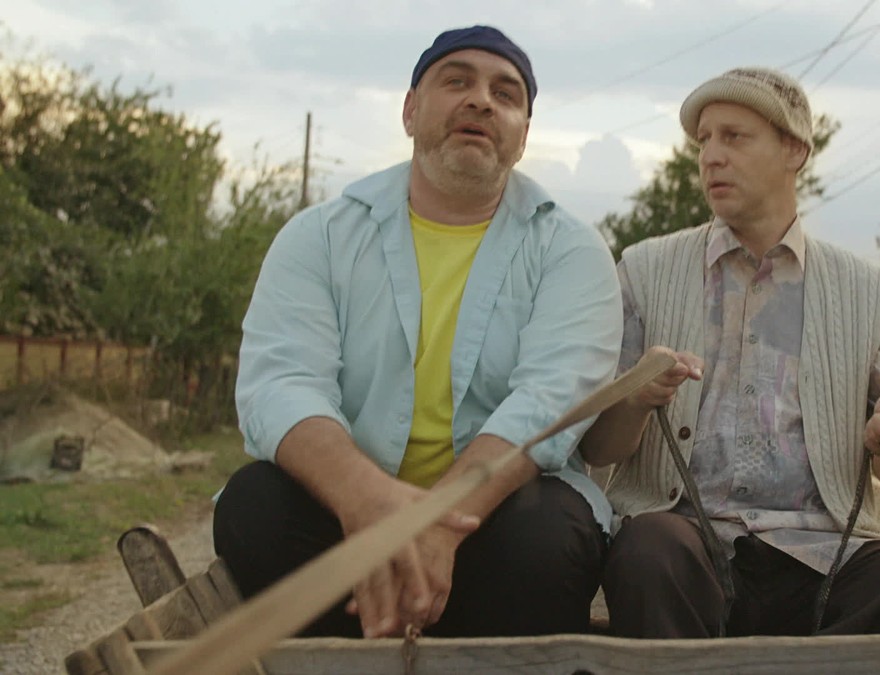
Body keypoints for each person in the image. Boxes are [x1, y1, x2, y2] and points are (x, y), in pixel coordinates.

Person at [213, 25, 622, 640]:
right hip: (347, 516)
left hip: (492, 521)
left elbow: (550, 402)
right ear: (409, 111)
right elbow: (281, 383)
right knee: (255, 506)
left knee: (551, 533)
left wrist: (435, 523)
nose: (481, 100)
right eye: (456, 81)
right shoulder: (318, 237)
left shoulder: (571, 250)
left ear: (523, 135)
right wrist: (369, 503)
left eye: (505, 94)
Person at [580, 67, 880, 639]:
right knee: (648, 550)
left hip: (823, 554)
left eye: (734, 137)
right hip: (687, 545)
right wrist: (637, 399)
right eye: (703, 140)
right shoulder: (643, 270)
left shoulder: (870, 291)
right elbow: (598, 447)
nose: (711, 156)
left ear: (795, 151)